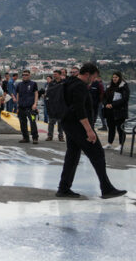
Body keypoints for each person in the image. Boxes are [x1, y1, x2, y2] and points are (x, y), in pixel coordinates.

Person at [55, 63, 126, 199]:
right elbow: (80, 110)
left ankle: (63, 188)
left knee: (72, 156)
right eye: (93, 77)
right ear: (87, 74)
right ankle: (106, 188)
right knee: (97, 154)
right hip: (79, 126)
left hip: (67, 123)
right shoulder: (80, 86)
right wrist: (89, 130)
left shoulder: (70, 81)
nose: (94, 80)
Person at [101, 72, 130, 150]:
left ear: (120, 78)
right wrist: (106, 104)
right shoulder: (109, 86)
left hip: (120, 111)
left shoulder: (124, 86)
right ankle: (109, 143)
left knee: (120, 128)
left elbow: (125, 99)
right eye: (113, 77)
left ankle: (121, 144)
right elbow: (104, 97)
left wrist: (113, 105)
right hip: (109, 111)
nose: (114, 79)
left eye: (116, 77)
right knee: (111, 128)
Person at [15, 70, 39, 144]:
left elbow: (36, 94)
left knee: (32, 122)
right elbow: (18, 94)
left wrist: (35, 104)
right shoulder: (19, 84)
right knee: (22, 123)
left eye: (26, 75)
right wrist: (17, 105)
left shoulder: (33, 84)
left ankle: (35, 138)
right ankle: (25, 137)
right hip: (22, 107)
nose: (25, 76)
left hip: (30, 108)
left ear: (29, 75)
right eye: (23, 75)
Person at [45, 69, 65, 142]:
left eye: (56, 74)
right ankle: (50, 136)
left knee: (60, 123)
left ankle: (61, 136)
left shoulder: (64, 83)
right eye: (54, 74)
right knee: (51, 122)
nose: (54, 75)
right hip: (52, 105)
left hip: (61, 106)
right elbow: (48, 94)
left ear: (60, 75)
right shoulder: (51, 83)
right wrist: (48, 104)